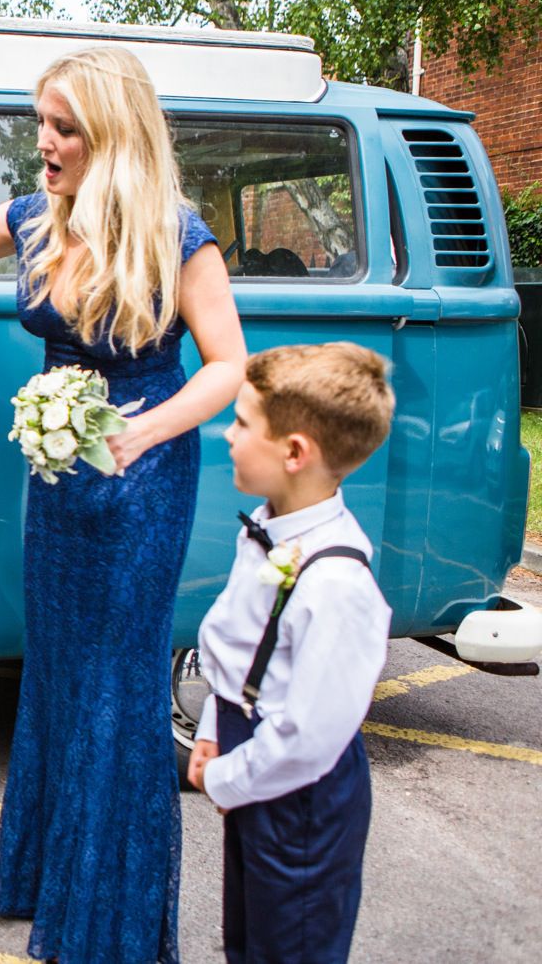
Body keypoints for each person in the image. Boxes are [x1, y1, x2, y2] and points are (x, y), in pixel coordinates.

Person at [0, 46, 246, 962]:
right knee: (60, 668)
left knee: (117, 681)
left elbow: (227, 364)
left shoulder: (178, 232)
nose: (45, 145)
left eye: (63, 128)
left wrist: (144, 432)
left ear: (112, 134)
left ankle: (112, 914)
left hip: (141, 476)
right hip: (60, 474)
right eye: (41, 125)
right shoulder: (35, 218)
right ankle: (50, 877)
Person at [187, 342, 395, 964]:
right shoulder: (270, 522)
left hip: (299, 796)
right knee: (250, 939)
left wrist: (226, 779)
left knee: (294, 941)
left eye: (244, 423)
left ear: (295, 452)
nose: (227, 434)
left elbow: (309, 736)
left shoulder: (336, 584)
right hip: (253, 753)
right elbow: (240, 641)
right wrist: (210, 727)